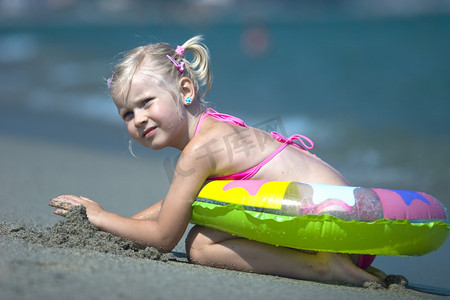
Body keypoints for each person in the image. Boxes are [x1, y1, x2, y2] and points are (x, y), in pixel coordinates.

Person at [49, 36, 385, 286]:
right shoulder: (218, 128)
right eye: (127, 113)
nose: (138, 119)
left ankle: (324, 268)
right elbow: (184, 203)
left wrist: (101, 217)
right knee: (207, 225)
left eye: (146, 102)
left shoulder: (199, 151)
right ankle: (345, 264)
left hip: (331, 227)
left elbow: (165, 237)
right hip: (350, 230)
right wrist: (119, 226)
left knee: (201, 245)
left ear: (184, 90)